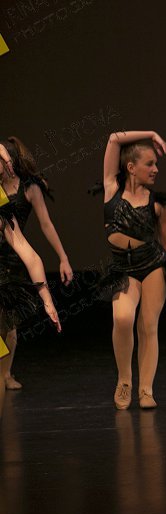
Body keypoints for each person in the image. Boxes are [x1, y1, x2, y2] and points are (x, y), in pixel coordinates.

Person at [96, 131, 166, 409]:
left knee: (148, 326)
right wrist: (151, 134)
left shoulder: (158, 204)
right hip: (124, 268)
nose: (156, 169)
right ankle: (125, 380)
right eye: (150, 163)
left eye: (156, 164)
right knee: (123, 318)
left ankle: (146, 389)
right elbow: (114, 138)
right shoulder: (111, 188)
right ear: (131, 167)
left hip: (152, 266)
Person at [0, 137, 73, 391]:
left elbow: (44, 227)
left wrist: (63, 258)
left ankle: (5, 373)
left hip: (13, 260)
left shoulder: (27, 190)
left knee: (9, 325)